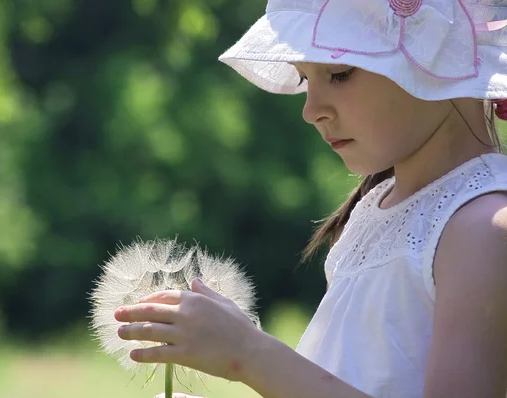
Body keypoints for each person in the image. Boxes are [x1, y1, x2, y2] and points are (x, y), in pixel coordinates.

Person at [113, 0, 507, 397]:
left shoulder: (483, 230)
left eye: (339, 73)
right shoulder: (378, 207)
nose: (311, 110)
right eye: (305, 79)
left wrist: (250, 354)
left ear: (436, 55)